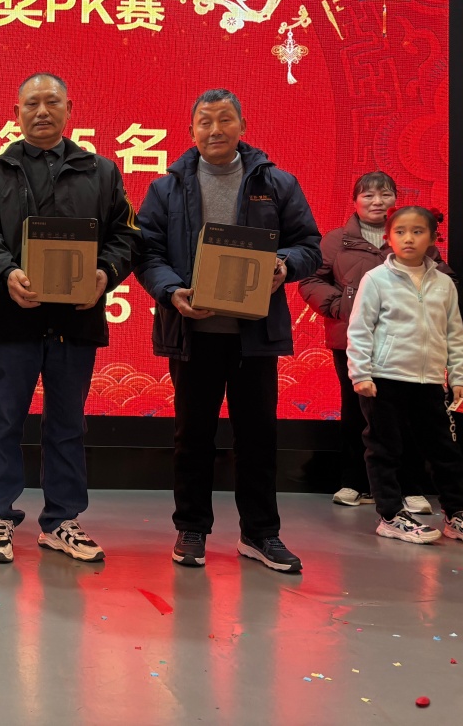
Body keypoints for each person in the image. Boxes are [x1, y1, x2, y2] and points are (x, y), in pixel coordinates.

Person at [136, 88, 321, 573]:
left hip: (253, 336)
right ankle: (191, 527)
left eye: (224, 120)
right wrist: (172, 291)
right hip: (192, 333)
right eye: (205, 121)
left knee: (257, 436)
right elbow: (147, 253)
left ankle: (260, 533)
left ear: (243, 125)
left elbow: (309, 245)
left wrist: (284, 265)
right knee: (192, 436)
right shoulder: (167, 188)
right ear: (191, 130)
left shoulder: (275, 183)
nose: (215, 129)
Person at [0, 73, 138, 564]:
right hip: (12, 318)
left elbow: (127, 236)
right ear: (16, 113)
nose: (42, 111)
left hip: (75, 323)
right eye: (32, 104)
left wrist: (105, 273)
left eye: (52, 102)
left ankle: (62, 520)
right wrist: (6, 272)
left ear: (69, 110)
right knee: (2, 422)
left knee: (67, 425)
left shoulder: (101, 171)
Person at [298, 172, 451, 513]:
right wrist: (340, 306)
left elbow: (444, 277)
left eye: (385, 195)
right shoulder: (335, 240)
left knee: (407, 414)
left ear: (395, 199)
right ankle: (353, 481)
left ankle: (410, 487)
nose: (377, 202)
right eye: (368, 195)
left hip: (406, 340)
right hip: (352, 339)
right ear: (355, 201)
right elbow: (310, 279)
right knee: (356, 410)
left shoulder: (411, 234)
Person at [347, 205, 463, 544]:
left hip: (429, 381)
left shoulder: (444, 283)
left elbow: (454, 334)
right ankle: (390, 515)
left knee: (444, 450)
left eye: (417, 231)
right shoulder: (376, 279)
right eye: (400, 232)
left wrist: (457, 378)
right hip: (384, 380)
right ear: (388, 238)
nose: (408, 238)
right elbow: (360, 328)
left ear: (433, 238)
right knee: (384, 448)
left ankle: (456, 514)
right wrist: (360, 373)